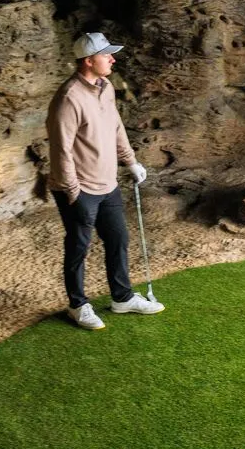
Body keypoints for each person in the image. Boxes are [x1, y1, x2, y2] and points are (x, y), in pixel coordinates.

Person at [47, 31, 164, 330]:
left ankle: (122, 298)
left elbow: (115, 127)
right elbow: (61, 149)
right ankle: (78, 305)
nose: (113, 58)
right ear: (88, 61)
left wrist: (131, 160)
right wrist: (73, 192)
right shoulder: (69, 98)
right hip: (79, 188)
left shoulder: (106, 86)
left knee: (118, 239)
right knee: (79, 247)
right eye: (106, 55)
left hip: (107, 183)